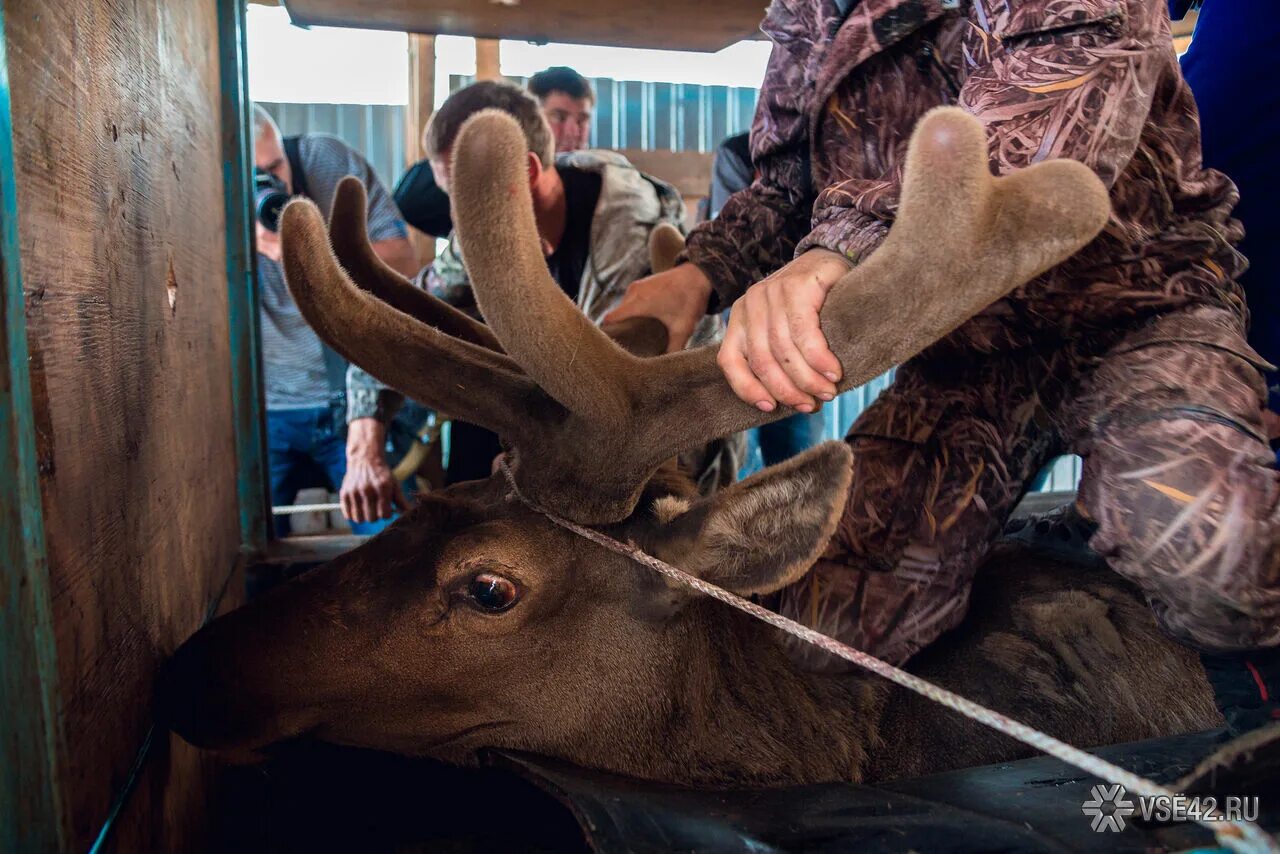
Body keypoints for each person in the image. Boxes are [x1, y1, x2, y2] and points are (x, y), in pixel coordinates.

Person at [606, 0, 1280, 733]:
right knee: (818, 634)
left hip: (1139, 318)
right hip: (968, 359)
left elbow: (1032, 139)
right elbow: (784, 184)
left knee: (1218, 558)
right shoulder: (812, 12)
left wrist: (838, 250)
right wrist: (701, 273)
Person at [343, 81, 735, 521]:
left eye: (464, 194)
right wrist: (364, 441)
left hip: (665, 481)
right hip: (561, 457)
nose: (458, 215)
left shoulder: (633, 235)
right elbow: (405, 320)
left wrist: (525, 462)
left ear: (527, 172)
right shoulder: (481, 230)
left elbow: (604, 401)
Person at [253, 105, 417, 537]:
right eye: (256, 180)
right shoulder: (198, 209)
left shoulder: (324, 162)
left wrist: (308, 251)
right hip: (257, 413)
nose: (274, 187)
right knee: (240, 562)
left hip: (346, 401)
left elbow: (404, 259)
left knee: (398, 545)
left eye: (276, 168)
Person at [708, 131, 827, 477]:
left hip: (801, 337)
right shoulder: (735, 153)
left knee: (796, 463)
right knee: (737, 456)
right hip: (741, 336)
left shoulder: (824, 149)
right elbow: (731, 236)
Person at [394, 66, 596, 241]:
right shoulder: (490, 180)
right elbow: (410, 203)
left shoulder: (599, 193)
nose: (572, 132)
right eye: (559, 117)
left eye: (582, 120)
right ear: (534, 117)